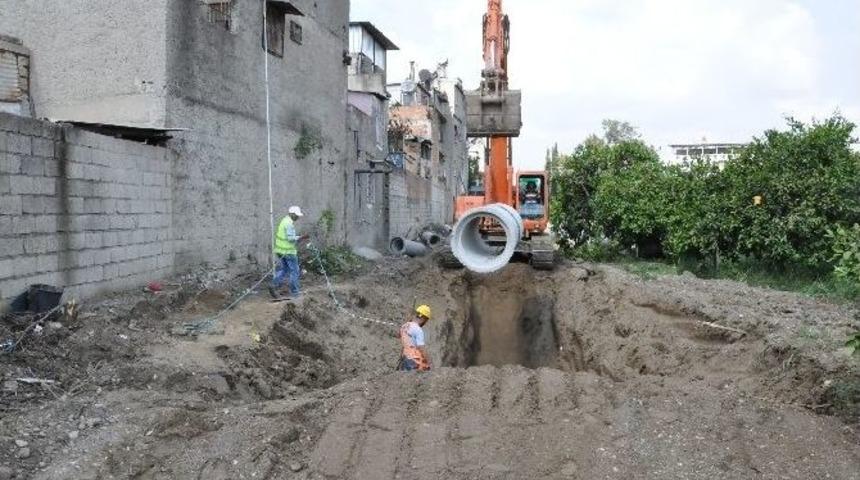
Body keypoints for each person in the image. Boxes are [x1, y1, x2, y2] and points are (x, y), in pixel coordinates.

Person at [269, 206, 308, 298]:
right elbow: (290, 239)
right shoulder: (289, 224)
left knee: (285, 269)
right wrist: (302, 237)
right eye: (297, 215)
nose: (298, 217)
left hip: (280, 251)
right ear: (292, 214)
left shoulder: (284, 221)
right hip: (288, 252)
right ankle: (295, 293)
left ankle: (273, 284)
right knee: (295, 271)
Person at [398, 305, 432, 371]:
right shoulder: (418, 330)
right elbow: (421, 347)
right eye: (426, 320)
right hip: (413, 361)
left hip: (404, 358)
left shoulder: (405, 326)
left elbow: (399, 335)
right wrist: (429, 361)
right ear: (424, 318)